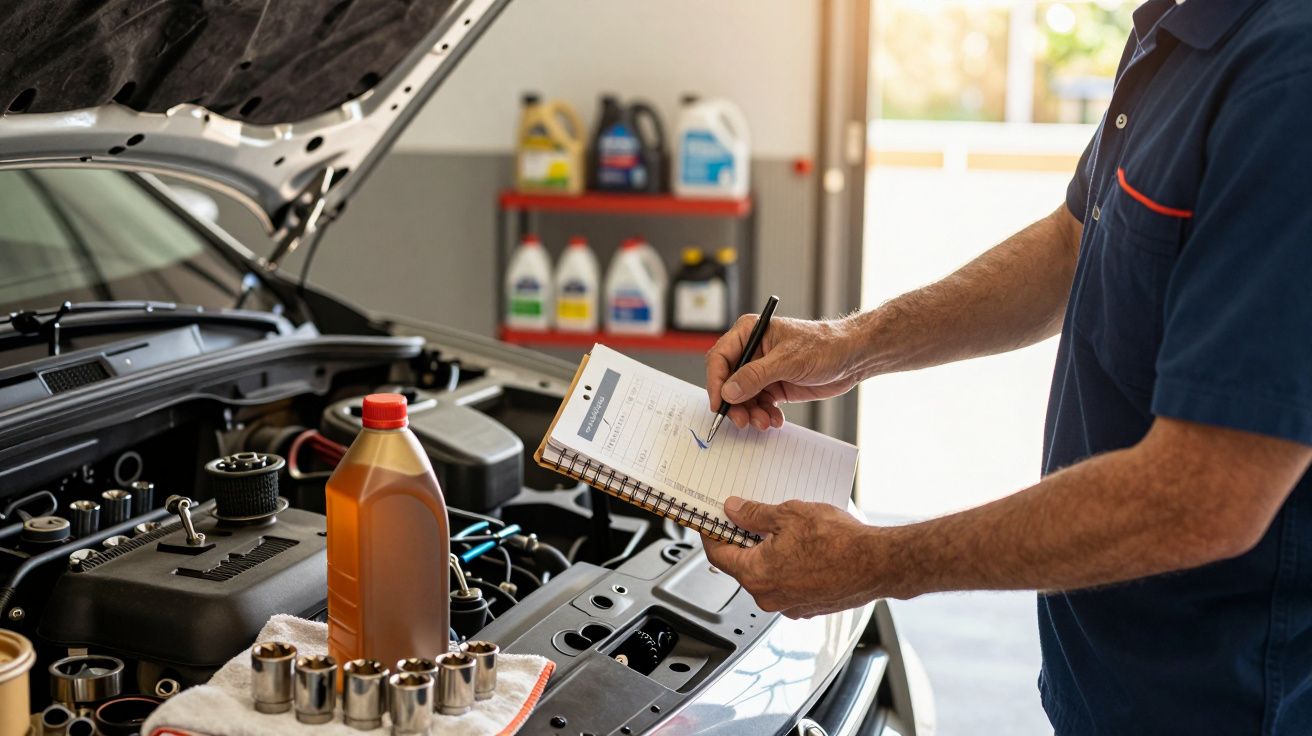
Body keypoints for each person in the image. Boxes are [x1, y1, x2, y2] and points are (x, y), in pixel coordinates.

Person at [700, 1, 1312, 733]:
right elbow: (1071, 244)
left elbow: (1205, 496)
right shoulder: (1172, 28)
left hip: (1224, 704)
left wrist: (880, 562)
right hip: (1108, 685)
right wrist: (852, 343)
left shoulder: (1287, 81)